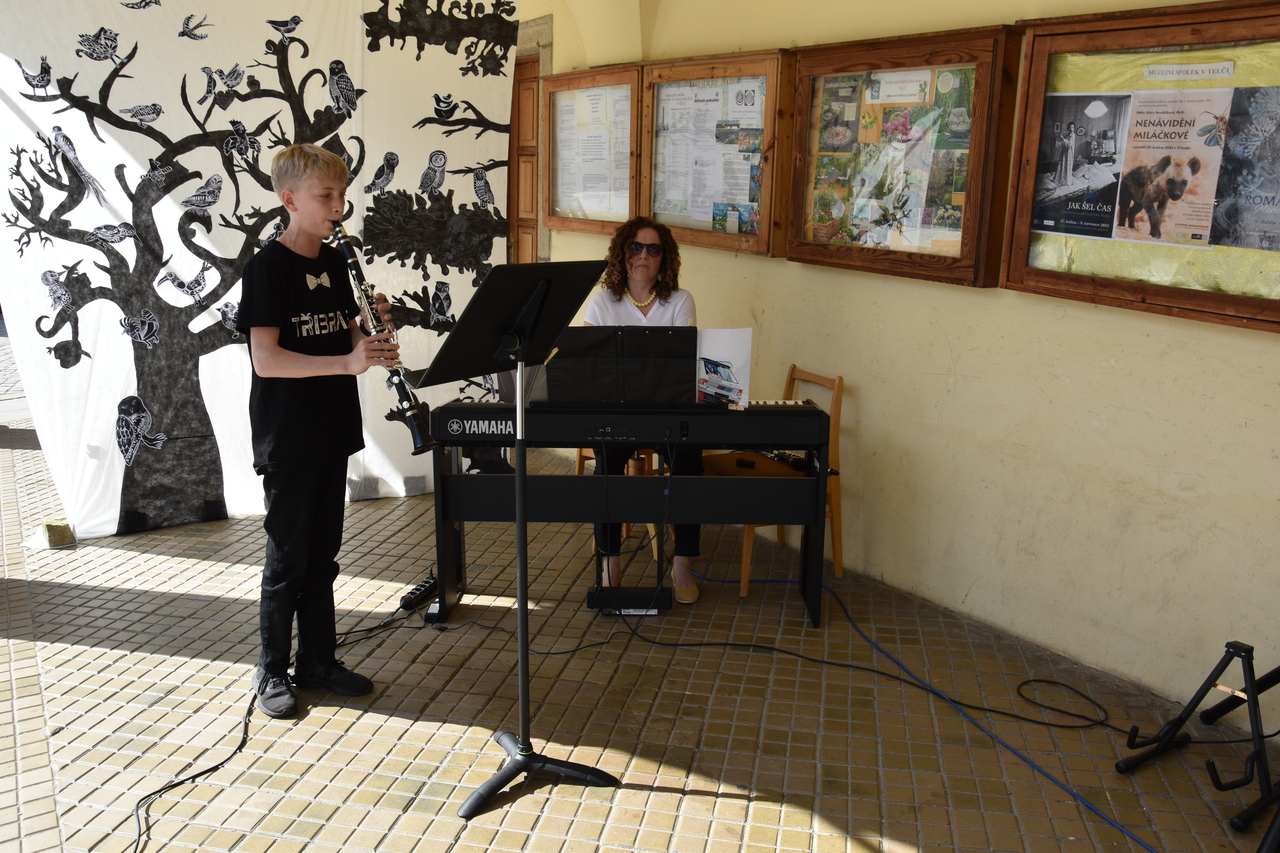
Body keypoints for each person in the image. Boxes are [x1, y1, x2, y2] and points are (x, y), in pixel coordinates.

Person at [237, 143, 400, 718]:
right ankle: (271, 669)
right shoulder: (267, 269)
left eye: (342, 195)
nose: (338, 206)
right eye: (325, 195)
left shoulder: (334, 263)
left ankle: (318, 661)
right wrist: (346, 362)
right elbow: (266, 359)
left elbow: (345, 338)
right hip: (288, 435)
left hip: (332, 426)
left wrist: (371, 336)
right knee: (288, 559)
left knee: (324, 556)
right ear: (289, 200)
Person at [583, 215, 702, 604]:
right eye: (636, 247)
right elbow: (589, 364)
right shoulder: (602, 303)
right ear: (623, 252)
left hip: (667, 411)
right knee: (605, 467)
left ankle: (682, 564)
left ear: (664, 257)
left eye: (653, 249)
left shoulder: (680, 300)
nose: (643, 256)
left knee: (689, 462)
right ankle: (610, 562)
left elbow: (681, 363)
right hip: (616, 413)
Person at [1054, 121, 1076, 187]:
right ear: (1068, 128)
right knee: (1062, 164)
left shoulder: (1073, 135)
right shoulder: (1066, 135)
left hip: (1069, 153)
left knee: (1067, 165)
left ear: (1074, 128)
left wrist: (1063, 139)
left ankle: (1066, 181)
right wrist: (1060, 139)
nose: (1071, 129)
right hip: (1064, 152)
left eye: (1072, 127)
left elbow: (1069, 145)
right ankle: (1060, 179)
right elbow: (1062, 143)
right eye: (1069, 127)